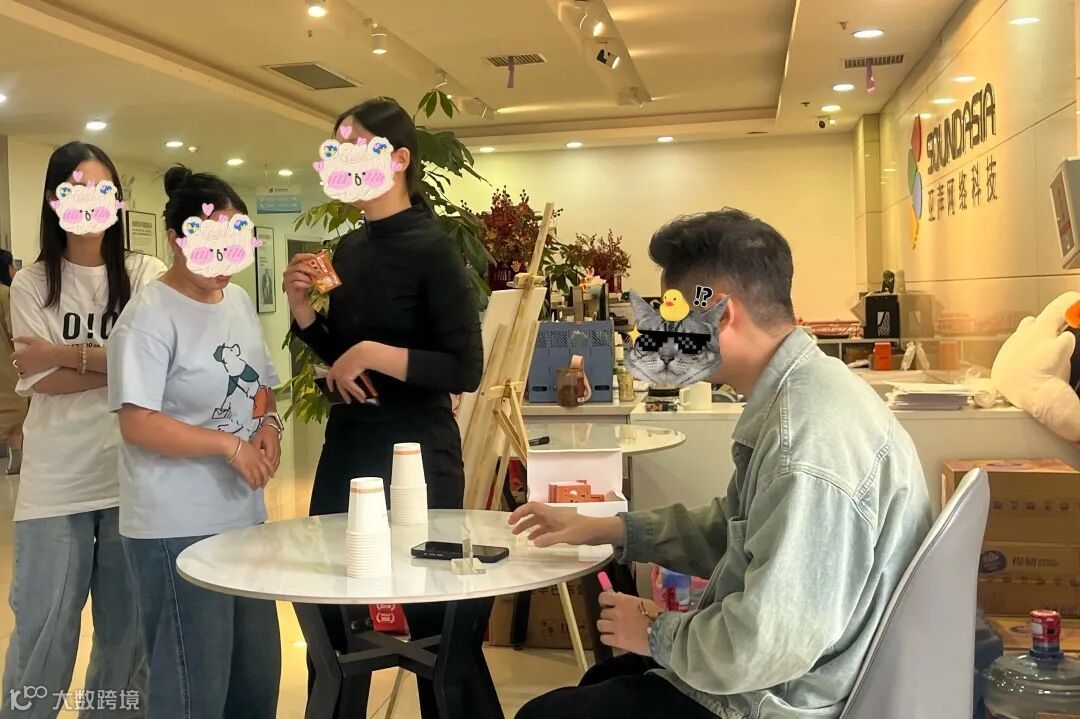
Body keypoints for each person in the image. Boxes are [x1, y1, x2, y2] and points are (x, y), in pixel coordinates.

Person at [511, 209, 932, 719]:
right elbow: (733, 529)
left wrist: (656, 633)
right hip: (788, 674)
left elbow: (764, 643)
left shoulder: (803, 444)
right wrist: (605, 528)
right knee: (602, 681)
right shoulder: (809, 391)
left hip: (781, 696)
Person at [284, 98, 482, 716]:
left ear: (397, 159)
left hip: (417, 453)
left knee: (433, 627)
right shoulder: (349, 249)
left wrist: (371, 352)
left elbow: (464, 368)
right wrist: (303, 312)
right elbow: (344, 356)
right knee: (333, 618)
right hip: (349, 447)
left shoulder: (434, 249)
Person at [107, 166, 282, 719]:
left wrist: (268, 426)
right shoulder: (148, 317)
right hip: (174, 525)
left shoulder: (237, 302)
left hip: (242, 515)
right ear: (176, 239)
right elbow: (138, 422)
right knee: (193, 686)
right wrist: (228, 446)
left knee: (255, 679)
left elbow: (261, 384)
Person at [2, 141, 166, 718]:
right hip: (56, 485)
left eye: (103, 190)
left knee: (127, 639)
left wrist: (62, 353)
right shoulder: (31, 283)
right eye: (76, 190)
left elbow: (156, 366)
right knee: (43, 635)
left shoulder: (146, 275)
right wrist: (115, 362)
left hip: (132, 478)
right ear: (54, 201)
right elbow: (40, 380)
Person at [0, 249, 27, 475]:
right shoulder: (6, 294)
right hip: (5, 365)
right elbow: (14, 330)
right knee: (15, 413)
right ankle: (15, 460)